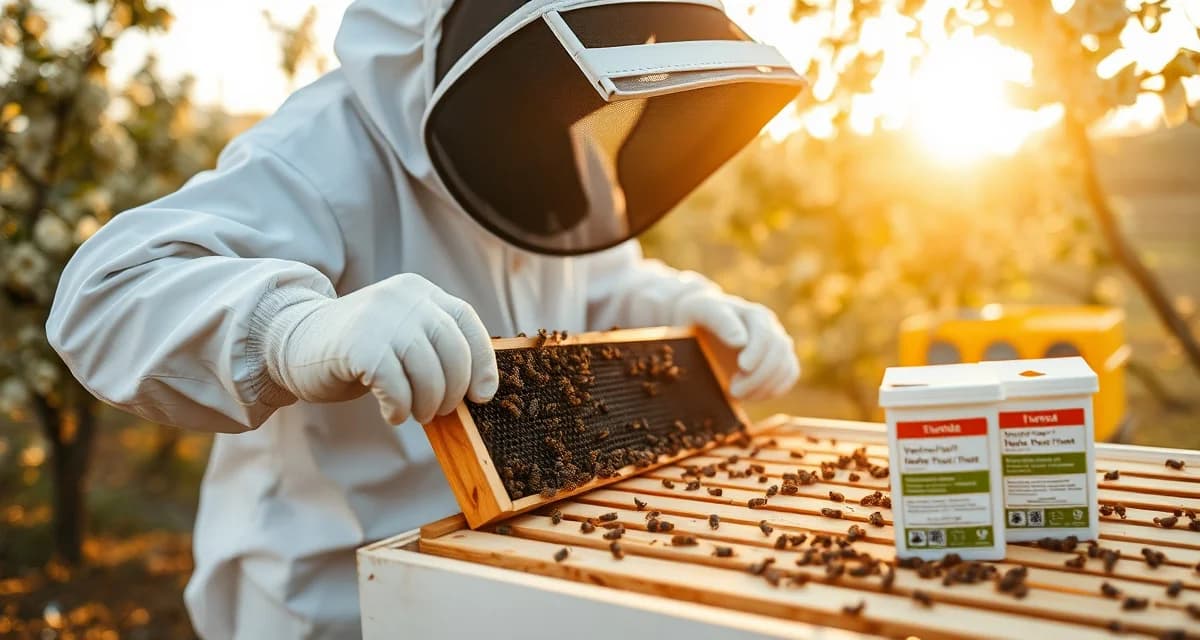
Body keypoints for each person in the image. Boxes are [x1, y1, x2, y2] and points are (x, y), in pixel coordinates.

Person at [46, 0, 805, 637]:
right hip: (327, 597)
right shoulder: (325, 143)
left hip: (508, 576)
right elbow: (107, 294)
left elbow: (598, 282)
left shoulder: (566, 156)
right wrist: (291, 330)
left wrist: (680, 307)